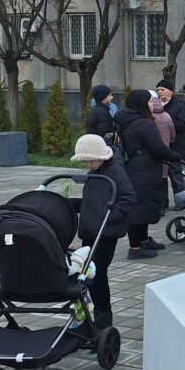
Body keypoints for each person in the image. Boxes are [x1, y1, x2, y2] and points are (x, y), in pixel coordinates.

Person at [68, 134, 136, 329]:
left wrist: (108, 217)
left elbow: (128, 199)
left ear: (101, 156)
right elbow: (92, 204)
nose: (88, 164)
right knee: (89, 274)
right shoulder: (93, 175)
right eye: (84, 160)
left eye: (90, 159)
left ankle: (103, 319)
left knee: (97, 274)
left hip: (106, 232)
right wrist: (71, 205)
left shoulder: (115, 171)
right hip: (91, 231)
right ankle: (91, 316)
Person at [114, 90, 183, 259]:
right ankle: (135, 248)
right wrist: (176, 156)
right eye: (150, 101)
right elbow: (157, 148)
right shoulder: (143, 124)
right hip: (143, 170)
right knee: (139, 208)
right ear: (141, 104)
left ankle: (143, 240)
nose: (153, 104)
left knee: (143, 206)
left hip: (135, 167)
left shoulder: (127, 120)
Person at [149, 91, 177, 214]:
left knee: (153, 178)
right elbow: (173, 134)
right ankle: (164, 202)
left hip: (151, 152)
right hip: (165, 150)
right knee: (163, 177)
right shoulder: (166, 115)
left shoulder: (148, 117)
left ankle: (156, 204)